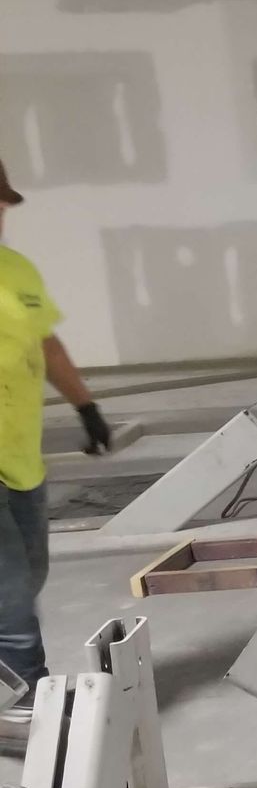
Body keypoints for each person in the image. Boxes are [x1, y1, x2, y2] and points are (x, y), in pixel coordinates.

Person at [0, 159, 111, 690]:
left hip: (20, 460)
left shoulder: (16, 269)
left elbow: (46, 342)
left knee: (30, 575)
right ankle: (30, 710)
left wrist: (85, 406)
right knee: (12, 599)